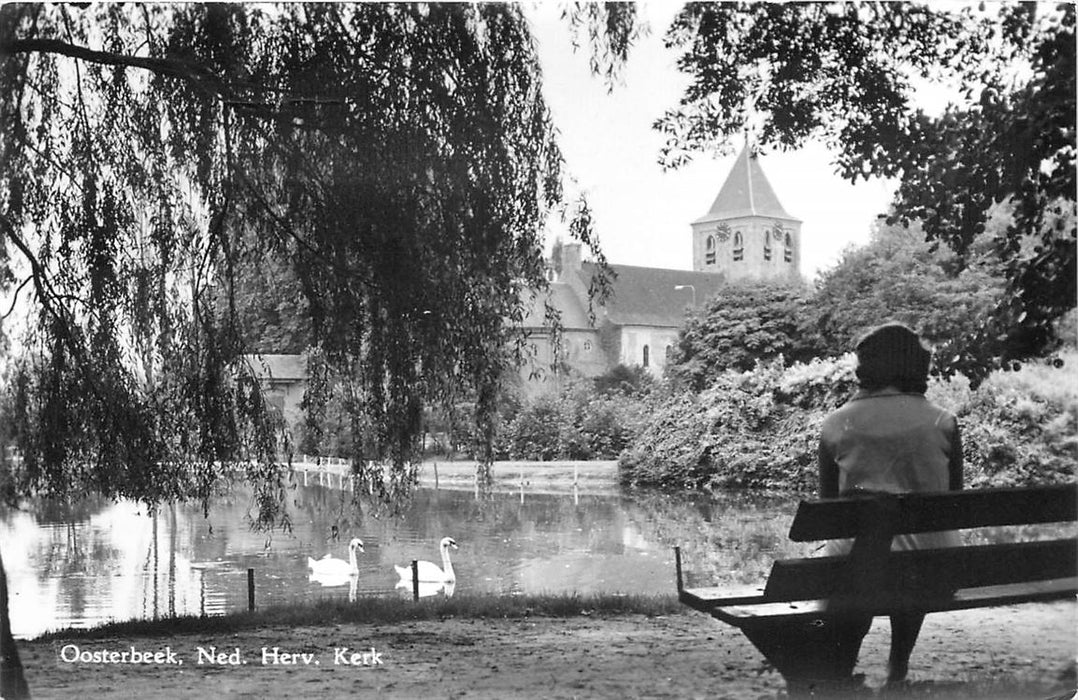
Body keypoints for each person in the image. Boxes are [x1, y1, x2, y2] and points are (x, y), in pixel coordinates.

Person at [817, 321, 963, 687]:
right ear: (916, 366)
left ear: (866, 367)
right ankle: (898, 665)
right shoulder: (943, 421)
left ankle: (843, 664)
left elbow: (827, 510)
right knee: (912, 555)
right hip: (931, 573)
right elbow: (955, 501)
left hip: (859, 574)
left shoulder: (836, 423)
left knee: (859, 556)